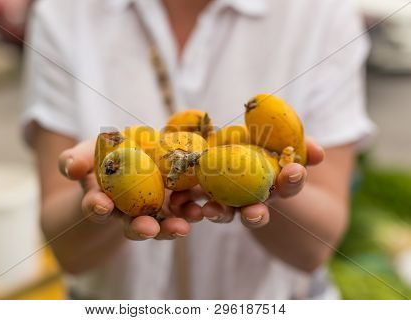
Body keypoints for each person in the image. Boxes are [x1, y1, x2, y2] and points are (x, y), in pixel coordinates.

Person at [23, 0, 374, 299]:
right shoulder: (63, 10)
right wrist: (99, 196)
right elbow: (68, 252)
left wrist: (276, 190)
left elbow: (314, 249)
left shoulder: (321, 11)